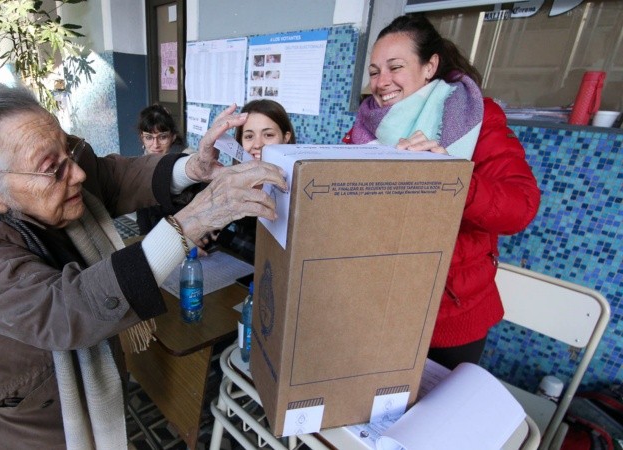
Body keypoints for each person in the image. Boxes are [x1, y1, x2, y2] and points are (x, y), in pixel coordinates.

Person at [0, 81, 286, 449]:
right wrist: (192, 222)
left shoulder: (37, 175)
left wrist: (192, 169)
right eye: (54, 168)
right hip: (18, 413)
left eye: (68, 150)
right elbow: (62, 309)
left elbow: (107, 177)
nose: (77, 174)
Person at [342, 15, 540, 369]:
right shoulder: (365, 126)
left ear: (430, 65)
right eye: (374, 71)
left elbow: (520, 208)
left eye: (395, 67)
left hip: (449, 311)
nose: (381, 82)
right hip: (377, 302)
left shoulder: (474, 117)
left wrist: (450, 177)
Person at [217, 99, 296, 263]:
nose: (258, 144)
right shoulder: (230, 182)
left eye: (268, 135)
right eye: (249, 136)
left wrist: (223, 238)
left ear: (285, 137)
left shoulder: (299, 189)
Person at [135, 104, 191, 234]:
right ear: (142, 138)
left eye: (162, 137)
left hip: (184, 234)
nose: (155, 145)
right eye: (149, 137)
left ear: (173, 137)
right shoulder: (139, 167)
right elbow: (142, 216)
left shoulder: (186, 165)